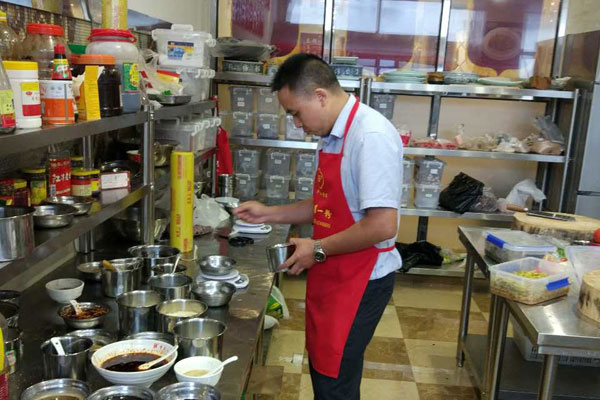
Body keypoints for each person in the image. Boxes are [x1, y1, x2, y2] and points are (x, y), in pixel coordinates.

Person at [234, 53, 403, 400]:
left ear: (321, 96)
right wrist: (268, 213)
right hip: (335, 270)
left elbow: (382, 225)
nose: (297, 123)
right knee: (326, 370)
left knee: (335, 382)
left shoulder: (369, 136)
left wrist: (318, 248)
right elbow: (328, 204)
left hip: (362, 279)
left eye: (296, 113)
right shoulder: (332, 135)